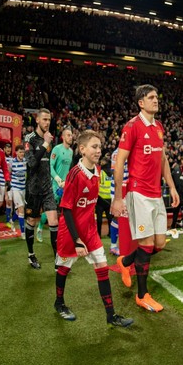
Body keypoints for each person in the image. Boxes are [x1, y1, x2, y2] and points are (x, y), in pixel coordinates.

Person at [54, 130, 134, 328]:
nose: (99, 150)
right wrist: (76, 240)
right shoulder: (75, 174)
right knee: (64, 267)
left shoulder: (97, 170)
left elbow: (94, 199)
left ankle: (111, 315)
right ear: (82, 150)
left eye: (99, 146)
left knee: (102, 267)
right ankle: (59, 303)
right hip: (71, 231)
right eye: (94, 147)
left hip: (90, 229)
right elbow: (66, 208)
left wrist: (111, 207)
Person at [111, 84, 180, 313]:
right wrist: (119, 197)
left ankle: (125, 261)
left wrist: (171, 186)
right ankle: (142, 295)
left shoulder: (159, 127)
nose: (156, 100)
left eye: (157, 97)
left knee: (159, 244)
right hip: (138, 192)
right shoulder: (132, 127)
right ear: (141, 102)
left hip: (156, 193)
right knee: (147, 244)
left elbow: (162, 160)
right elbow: (119, 162)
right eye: (151, 97)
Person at [24, 108, 58, 269]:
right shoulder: (29, 139)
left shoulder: (50, 139)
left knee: (53, 221)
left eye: (49, 120)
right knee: (31, 220)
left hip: (47, 188)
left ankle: (58, 259)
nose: (47, 123)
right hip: (33, 190)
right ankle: (31, 255)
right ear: (37, 120)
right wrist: (44, 143)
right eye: (44, 119)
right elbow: (32, 163)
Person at [37, 127, 73, 242]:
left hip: (65, 186)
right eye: (68, 135)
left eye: (71, 135)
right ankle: (40, 227)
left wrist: (66, 182)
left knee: (66, 210)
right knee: (51, 210)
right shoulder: (57, 149)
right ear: (62, 137)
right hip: (55, 185)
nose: (70, 137)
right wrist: (58, 180)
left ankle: (64, 235)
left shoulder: (71, 151)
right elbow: (50, 166)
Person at [9, 144, 27, 239]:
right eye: (20, 152)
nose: (22, 154)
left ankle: (12, 220)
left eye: (23, 152)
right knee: (21, 209)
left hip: (23, 188)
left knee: (19, 211)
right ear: (16, 152)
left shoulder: (25, 161)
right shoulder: (12, 162)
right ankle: (23, 232)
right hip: (15, 188)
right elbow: (8, 173)